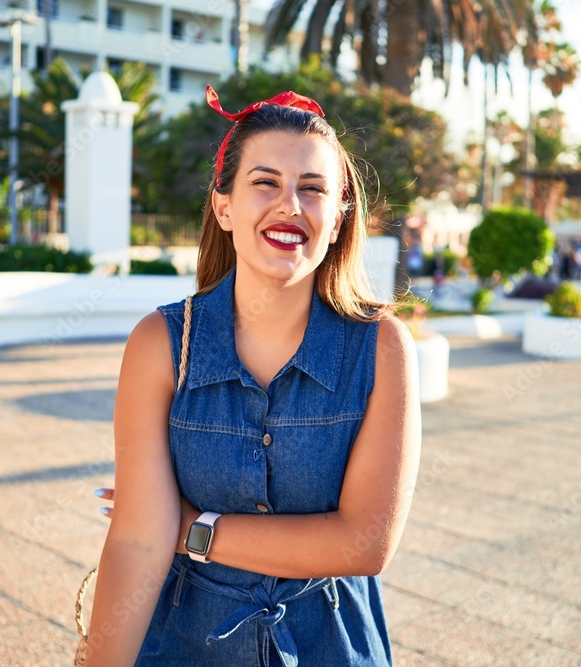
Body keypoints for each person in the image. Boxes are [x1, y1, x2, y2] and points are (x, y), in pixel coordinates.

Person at [82, 86, 422, 666]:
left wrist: (195, 529)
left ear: (338, 220)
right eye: (265, 182)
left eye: (313, 189)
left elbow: (364, 544)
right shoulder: (161, 344)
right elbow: (139, 540)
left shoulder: (382, 349)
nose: (290, 205)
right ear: (223, 207)